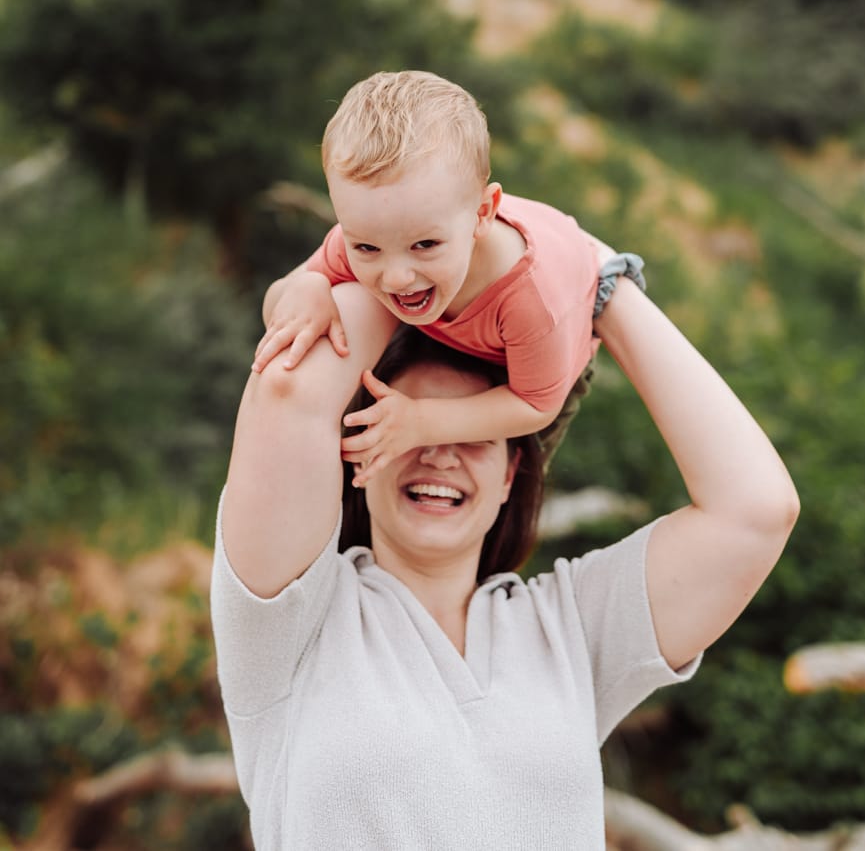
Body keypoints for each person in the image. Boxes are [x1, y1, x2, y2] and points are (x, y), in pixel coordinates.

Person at [211, 254, 800, 850]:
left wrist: (603, 285)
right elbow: (289, 389)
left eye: (469, 437)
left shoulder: (568, 628)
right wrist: (411, 263)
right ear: (358, 450)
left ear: (510, 474)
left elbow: (754, 513)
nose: (439, 454)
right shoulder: (290, 623)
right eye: (404, 426)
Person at [252, 70, 646, 484]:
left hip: (534, 358)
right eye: (366, 248)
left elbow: (536, 405)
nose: (397, 276)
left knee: (501, 491)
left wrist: (422, 421)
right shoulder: (387, 230)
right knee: (381, 448)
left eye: (425, 245)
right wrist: (305, 287)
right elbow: (276, 306)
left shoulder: (534, 301)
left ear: (482, 214)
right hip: (444, 315)